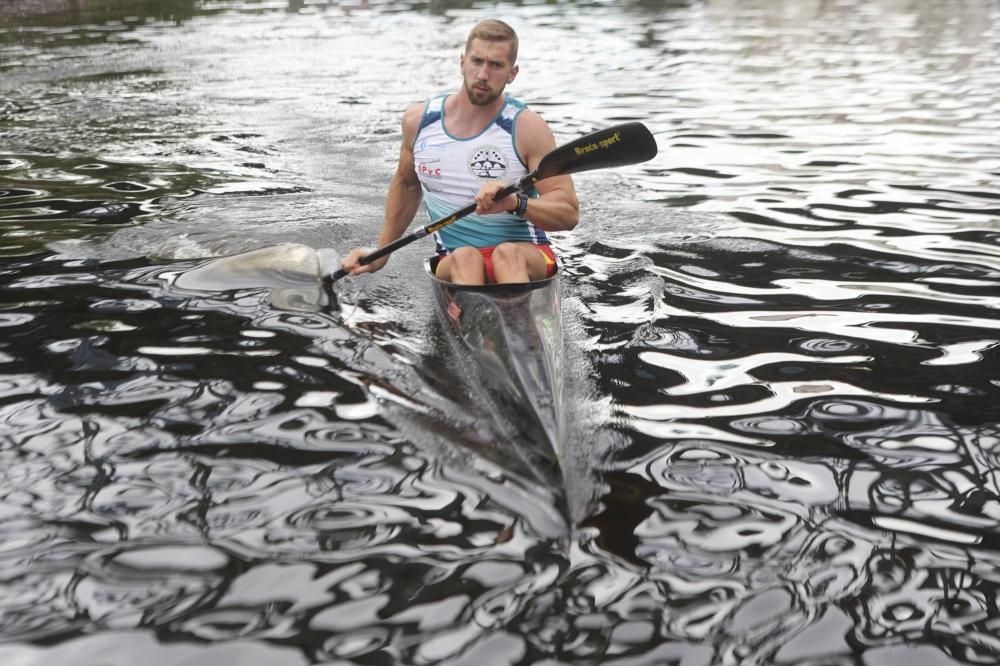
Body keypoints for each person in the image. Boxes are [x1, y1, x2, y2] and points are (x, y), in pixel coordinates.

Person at [340, 19, 579, 285]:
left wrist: (515, 203)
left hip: (527, 256)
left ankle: (514, 323)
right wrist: (380, 252)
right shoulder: (419, 121)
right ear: (462, 62)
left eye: (496, 65)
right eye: (477, 61)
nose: (483, 75)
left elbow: (568, 213)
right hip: (455, 260)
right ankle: (479, 321)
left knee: (506, 254)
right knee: (466, 257)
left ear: (512, 73)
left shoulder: (527, 128)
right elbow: (407, 186)